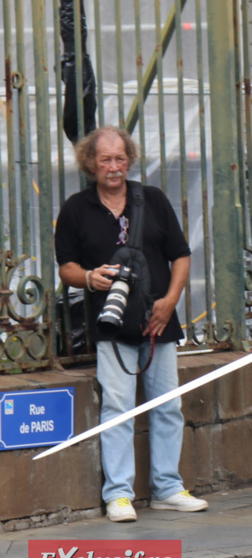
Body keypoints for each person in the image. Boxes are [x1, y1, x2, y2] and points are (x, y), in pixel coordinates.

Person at [55, 125, 208, 522]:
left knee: (168, 406)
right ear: (91, 162)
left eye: (120, 158)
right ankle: (119, 494)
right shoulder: (76, 208)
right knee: (118, 407)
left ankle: (168, 487)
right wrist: (90, 278)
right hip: (111, 323)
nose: (113, 167)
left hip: (159, 320)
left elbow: (181, 254)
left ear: (130, 159)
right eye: (105, 159)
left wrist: (170, 301)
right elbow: (66, 267)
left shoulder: (152, 200)